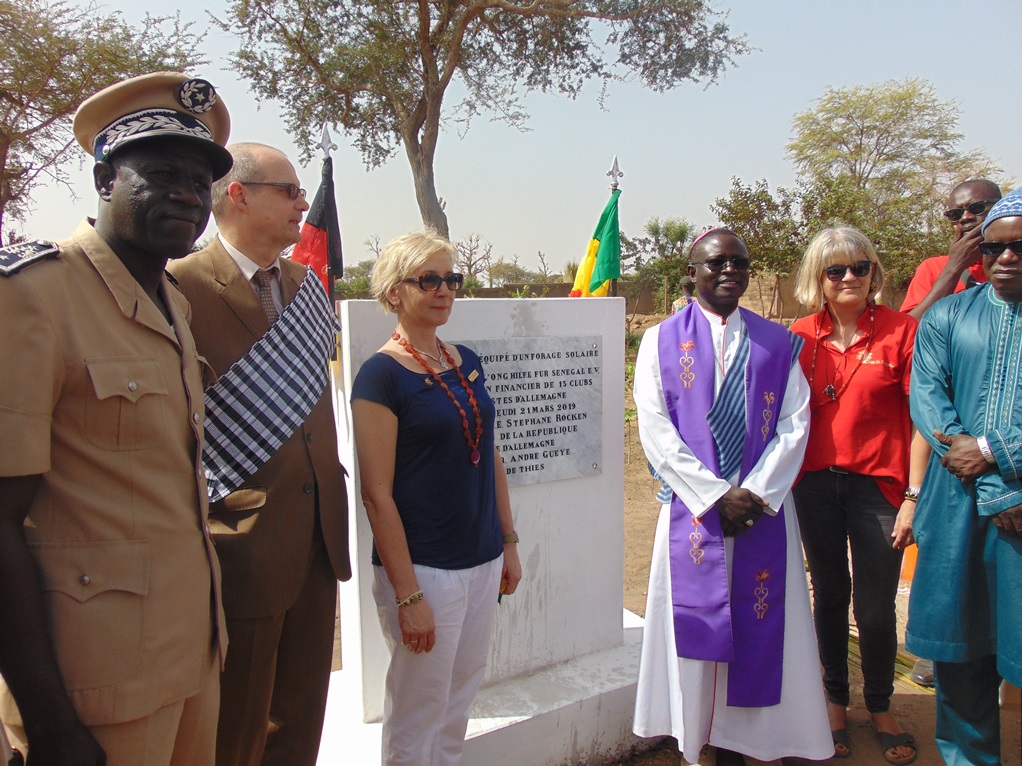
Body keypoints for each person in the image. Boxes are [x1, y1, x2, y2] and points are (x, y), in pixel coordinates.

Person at [0, 72, 232, 765]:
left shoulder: (173, 302)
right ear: (104, 179)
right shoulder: (33, 296)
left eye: (200, 182)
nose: (188, 196)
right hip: (92, 688)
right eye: (160, 174)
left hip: (188, 658)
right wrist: (47, 718)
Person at [167, 143, 351, 766]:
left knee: (302, 716)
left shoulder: (307, 287)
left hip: (317, 537)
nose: (304, 203)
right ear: (238, 195)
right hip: (237, 541)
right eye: (289, 190)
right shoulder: (179, 288)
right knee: (235, 725)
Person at [631, 228, 832, 765]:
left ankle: (750, 739)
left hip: (761, 512)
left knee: (759, 621)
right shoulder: (660, 340)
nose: (729, 271)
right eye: (716, 262)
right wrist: (715, 496)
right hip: (694, 514)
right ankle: (698, 735)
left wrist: (757, 495)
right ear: (690, 273)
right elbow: (655, 428)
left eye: (739, 262)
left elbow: (795, 424)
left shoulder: (778, 341)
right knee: (700, 624)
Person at [350, 230, 523, 766]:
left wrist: (508, 542)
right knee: (417, 709)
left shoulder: (465, 360)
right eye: (429, 279)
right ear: (395, 292)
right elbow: (376, 495)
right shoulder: (380, 376)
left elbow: (490, 455)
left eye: (452, 279)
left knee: (458, 701)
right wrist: (408, 596)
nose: (444, 289)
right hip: (426, 569)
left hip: (481, 556)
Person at [789, 227, 918, 764]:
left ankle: (881, 705)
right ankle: (835, 702)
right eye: (835, 270)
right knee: (829, 597)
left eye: (859, 268)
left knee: (875, 606)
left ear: (874, 273)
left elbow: (921, 421)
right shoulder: (798, 336)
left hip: (878, 489)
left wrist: (912, 496)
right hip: (814, 487)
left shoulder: (901, 331)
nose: (848, 278)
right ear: (816, 277)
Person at [907, 187, 1022, 766]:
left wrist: (1001, 456)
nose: (1005, 259)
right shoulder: (948, 315)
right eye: (995, 248)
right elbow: (928, 400)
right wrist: (984, 471)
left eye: (1019, 247)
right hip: (957, 508)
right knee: (962, 652)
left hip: (1017, 510)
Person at [900, 179, 1002, 320]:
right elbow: (907, 330)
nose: (965, 218)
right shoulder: (932, 268)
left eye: (977, 208)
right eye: (955, 214)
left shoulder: (1013, 259)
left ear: (1000, 207)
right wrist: (955, 266)